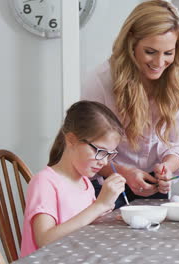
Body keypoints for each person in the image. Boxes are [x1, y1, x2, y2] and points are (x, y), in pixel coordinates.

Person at [82, 0, 179, 207]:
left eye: (168, 53)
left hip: (153, 181)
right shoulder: (102, 80)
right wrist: (123, 172)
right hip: (108, 180)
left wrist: (167, 169)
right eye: (150, 52)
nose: (159, 62)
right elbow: (88, 149)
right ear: (131, 43)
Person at [20, 101, 126, 257]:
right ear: (71, 140)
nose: (104, 162)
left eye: (109, 154)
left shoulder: (85, 183)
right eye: (100, 151)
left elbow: (82, 225)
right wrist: (99, 206)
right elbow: (44, 239)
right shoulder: (44, 183)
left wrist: (105, 211)